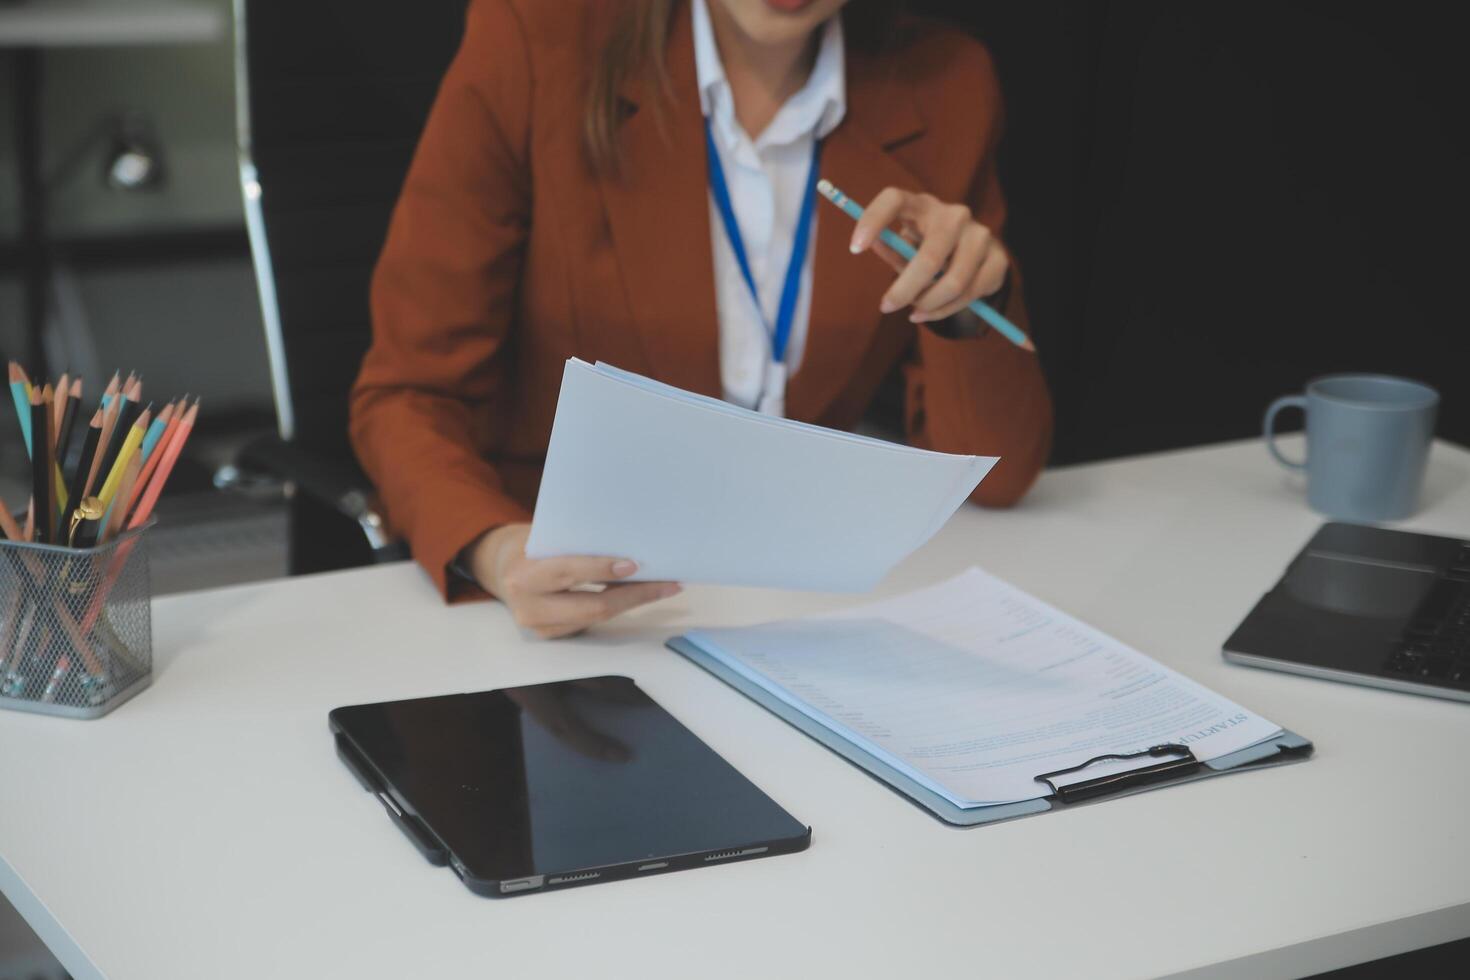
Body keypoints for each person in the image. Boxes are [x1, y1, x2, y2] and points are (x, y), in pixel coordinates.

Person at [351, 0, 1053, 638]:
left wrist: (964, 309)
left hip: (806, 601)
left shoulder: (945, 82)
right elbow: (406, 396)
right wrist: (499, 549)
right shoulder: (537, 41)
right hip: (586, 604)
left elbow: (996, 480)